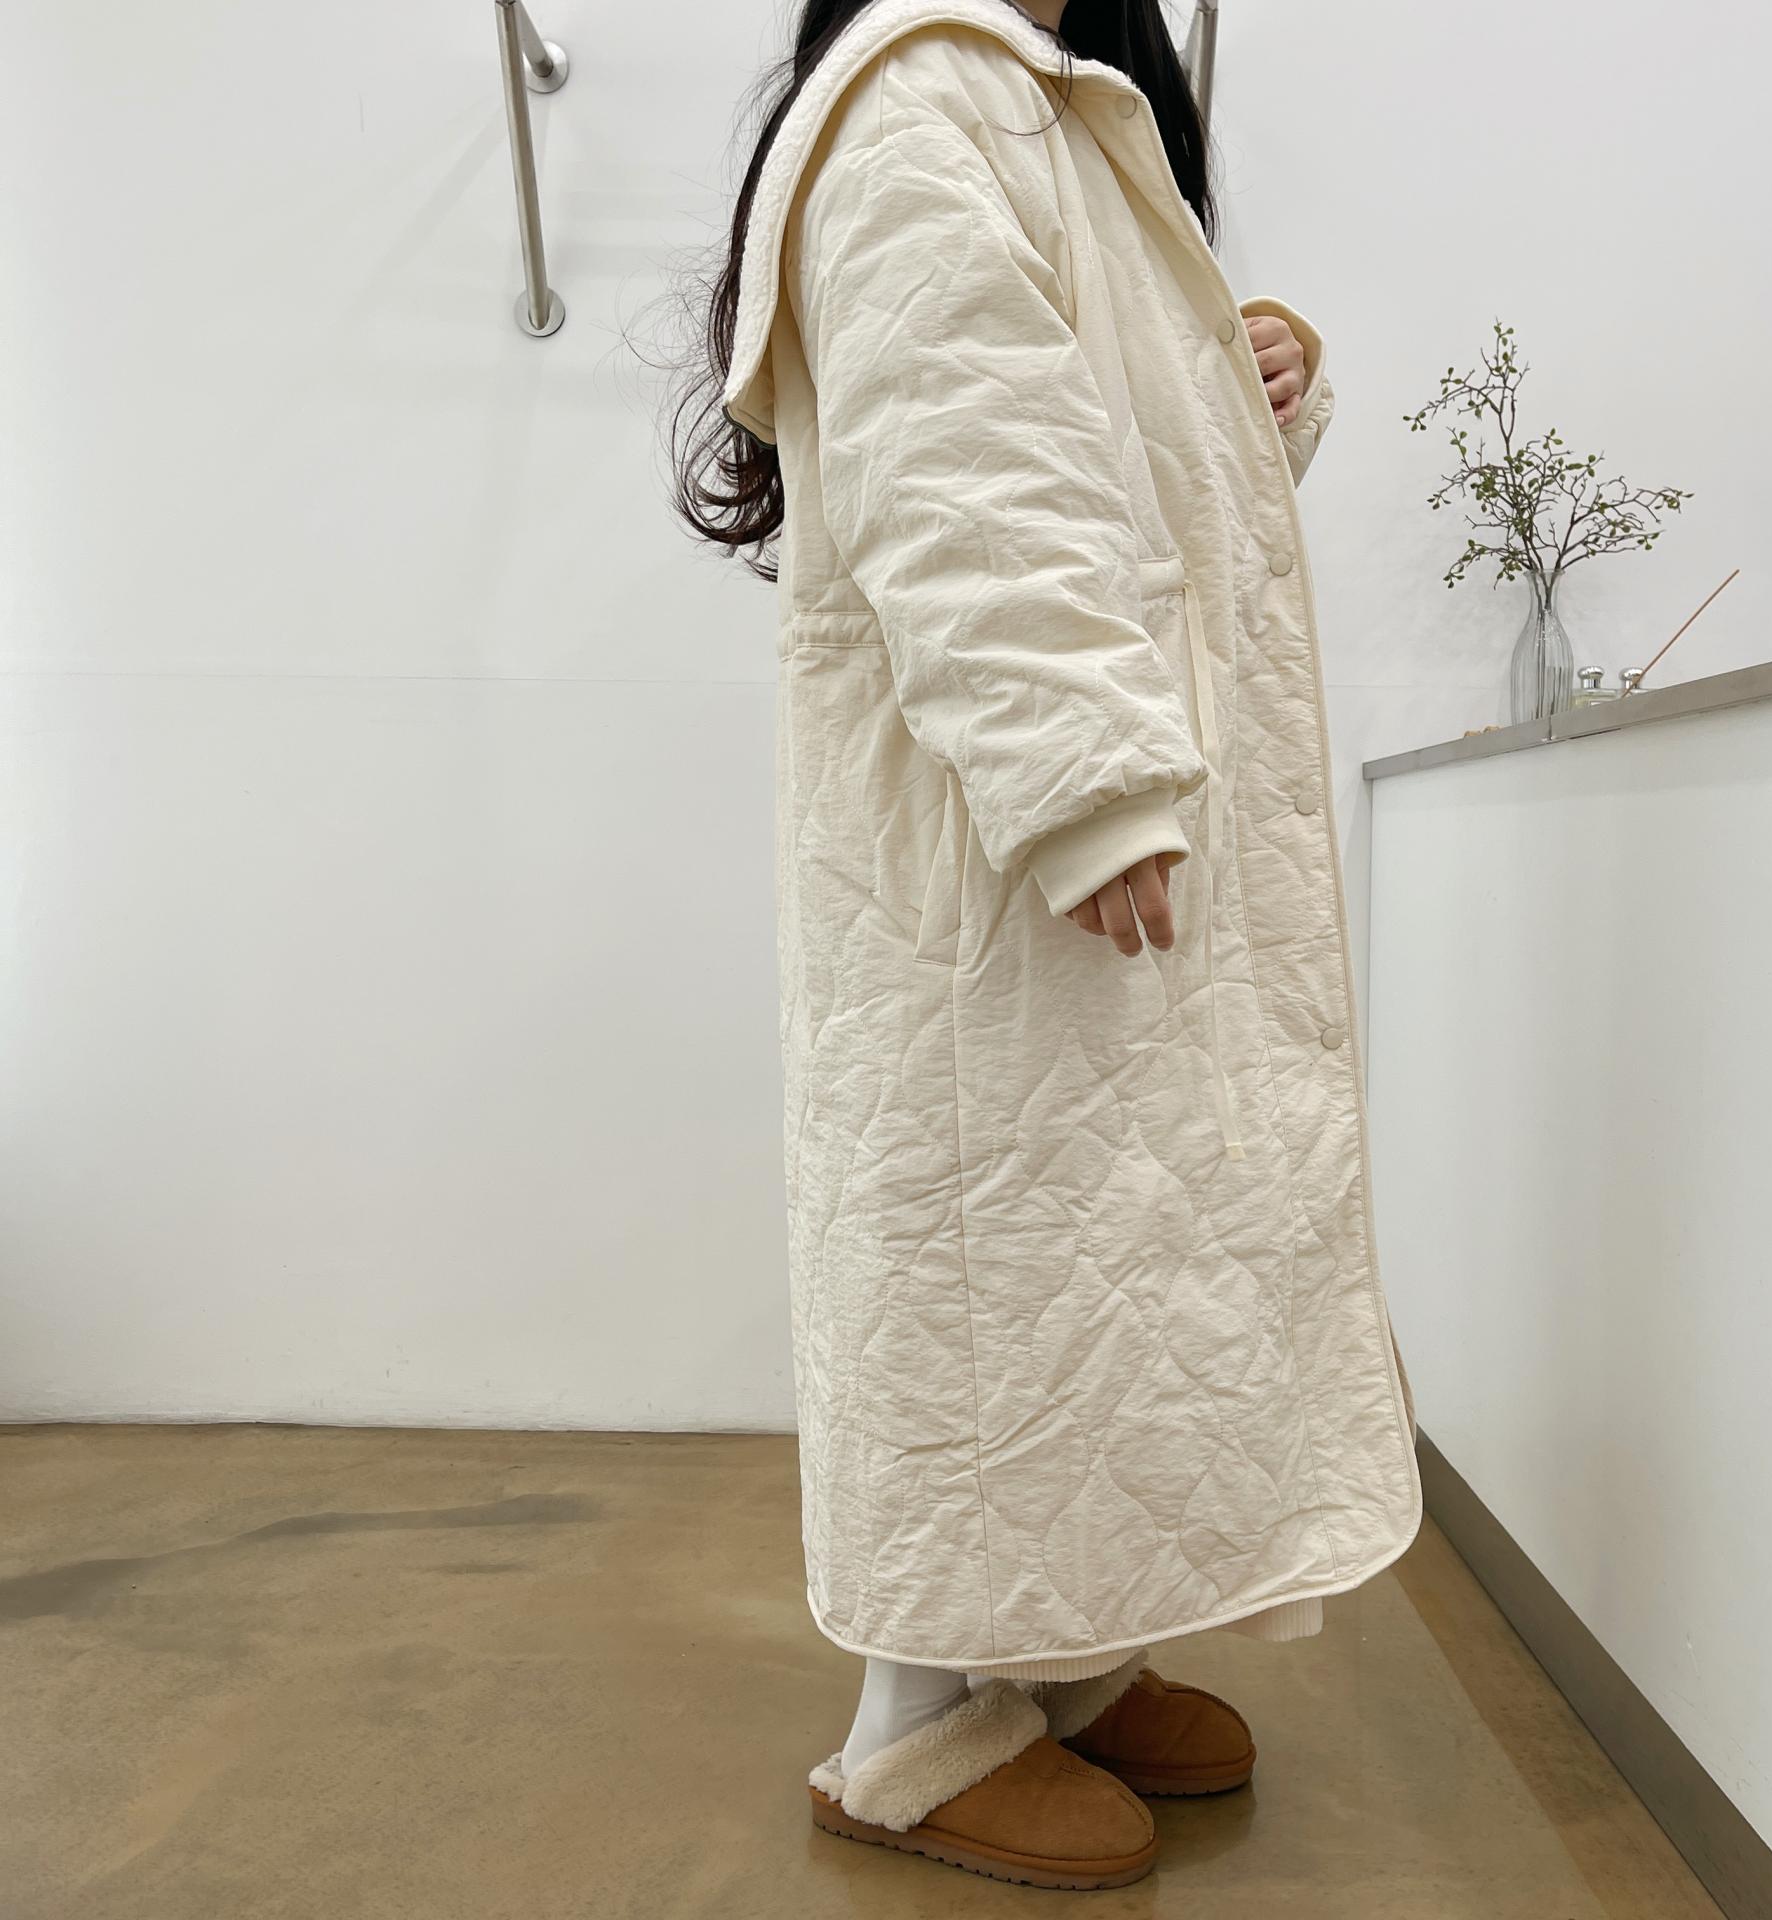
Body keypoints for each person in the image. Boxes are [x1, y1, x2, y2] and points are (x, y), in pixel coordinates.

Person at [671, 0, 1419, 1888]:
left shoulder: (1046, 110)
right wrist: (1084, 781)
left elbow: (1108, 468)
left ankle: (1063, 1665)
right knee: (981, 1253)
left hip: (1079, 823)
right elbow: (963, 468)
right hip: (995, 839)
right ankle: (906, 1731)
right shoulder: (918, 97)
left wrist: (1255, 378)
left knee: (1105, 1252)